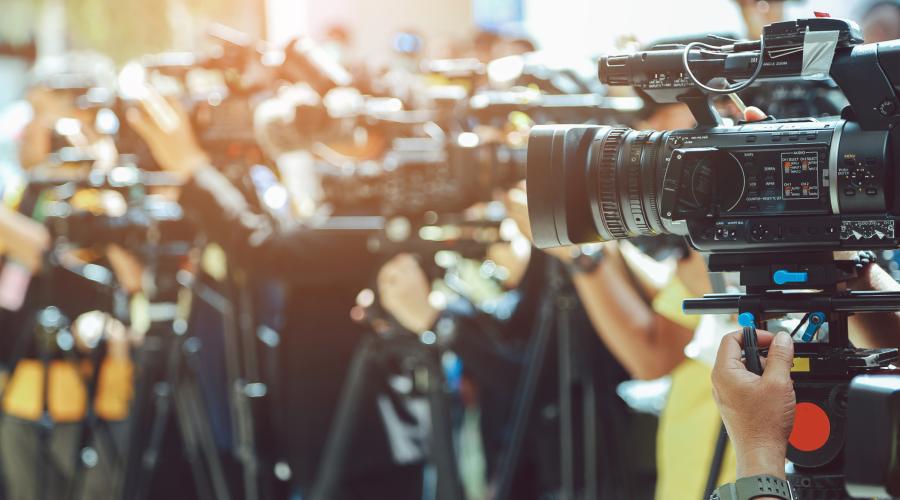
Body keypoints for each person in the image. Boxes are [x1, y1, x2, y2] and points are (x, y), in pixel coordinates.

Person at [126, 93, 425, 499]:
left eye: (335, 132)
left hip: (365, 452)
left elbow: (265, 250)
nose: (320, 146)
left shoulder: (378, 219)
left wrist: (194, 169)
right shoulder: (344, 208)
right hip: (329, 442)